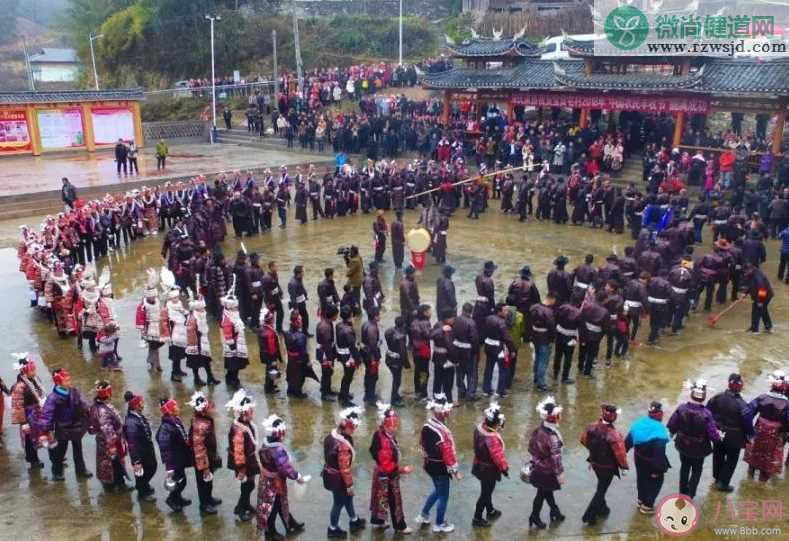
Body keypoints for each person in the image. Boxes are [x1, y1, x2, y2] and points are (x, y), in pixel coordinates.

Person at [667, 379, 721, 499]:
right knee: (697, 470)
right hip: (700, 449)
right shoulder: (707, 414)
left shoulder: (681, 409)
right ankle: (690, 494)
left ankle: (682, 493)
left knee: (684, 467)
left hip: (683, 444)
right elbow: (713, 435)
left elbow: (672, 425)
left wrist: (672, 433)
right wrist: (719, 436)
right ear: (704, 396)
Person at [257, 414, 307, 539]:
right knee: (274, 506)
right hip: (275, 483)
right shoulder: (277, 450)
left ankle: (290, 523)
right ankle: (270, 532)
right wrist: (297, 476)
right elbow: (285, 467)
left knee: (278, 504)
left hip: (265, 480)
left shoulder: (266, 443)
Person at [416, 393, 460, 533]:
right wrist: (455, 471)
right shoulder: (441, 432)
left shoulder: (427, 425)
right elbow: (447, 453)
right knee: (443, 496)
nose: (448, 413)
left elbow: (421, 444)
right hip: (440, 468)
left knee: (437, 491)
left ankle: (424, 514)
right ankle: (439, 523)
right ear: (441, 412)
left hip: (429, 465)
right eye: (446, 411)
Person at [38, 369, 92, 482]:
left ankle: (81, 469)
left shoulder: (74, 391)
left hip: (76, 425)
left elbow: (83, 403)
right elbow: (46, 414)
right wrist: (44, 431)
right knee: (60, 451)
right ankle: (57, 472)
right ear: (58, 383)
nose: (69, 382)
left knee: (78, 448)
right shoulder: (53, 397)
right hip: (62, 428)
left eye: (68, 380)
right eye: (66, 381)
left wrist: (89, 412)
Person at [580, 404, 629, 525]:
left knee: (601, 486)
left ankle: (603, 509)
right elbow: (620, 454)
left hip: (595, 463)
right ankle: (589, 515)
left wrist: (593, 452)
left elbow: (583, 440)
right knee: (601, 490)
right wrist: (624, 467)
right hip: (608, 468)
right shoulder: (614, 435)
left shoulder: (590, 427)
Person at [369, 403, 414, 533]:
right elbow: (387, 464)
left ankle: (378, 521)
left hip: (380, 472)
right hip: (388, 475)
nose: (395, 428)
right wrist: (402, 470)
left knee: (379, 497)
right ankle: (400, 526)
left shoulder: (380, 434)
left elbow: (372, 450)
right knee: (395, 501)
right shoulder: (384, 441)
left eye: (395, 426)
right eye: (392, 426)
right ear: (385, 425)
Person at [323, 407, 366, 539]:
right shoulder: (343, 444)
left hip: (330, 474)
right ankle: (333, 528)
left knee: (348, 498)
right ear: (347, 426)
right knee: (339, 502)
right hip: (339, 479)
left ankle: (354, 520)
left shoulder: (330, 436)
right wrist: (349, 485)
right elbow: (344, 468)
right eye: (353, 427)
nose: (355, 429)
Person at [624, 401, 671, 514]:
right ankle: (647, 505)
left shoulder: (638, 424)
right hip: (651, 462)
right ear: (660, 414)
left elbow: (627, 442)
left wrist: (621, 456)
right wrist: (658, 470)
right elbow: (659, 453)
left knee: (641, 478)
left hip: (639, 458)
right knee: (656, 481)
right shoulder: (660, 431)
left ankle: (641, 499)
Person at [528, 396, 565, 529]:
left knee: (546, 491)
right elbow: (556, 458)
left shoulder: (539, 430)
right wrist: (560, 474)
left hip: (538, 467)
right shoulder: (552, 437)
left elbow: (530, 447)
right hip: (547, 471)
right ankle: (534, 516)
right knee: (541, 494)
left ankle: (555, 511)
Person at [744, 370, 789, 482]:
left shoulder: (762, 397)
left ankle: (750, 476)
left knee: (755, 451)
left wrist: (749, 429)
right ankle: (761, 483)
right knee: (770, 457)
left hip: (759, 429)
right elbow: (787, 421)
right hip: (775, 433)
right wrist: (782, 431)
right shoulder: (786, 403)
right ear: (784, 388)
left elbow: (747, 413)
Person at [707, 373, 748, 492]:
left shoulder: (717, 397)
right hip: (734, 437)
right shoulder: (742, 405)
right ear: (740, 386)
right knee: (732, 459)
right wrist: (749, 437)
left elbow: (707, 413)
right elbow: (747, 424)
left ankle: (717, 478)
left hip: (718, 432)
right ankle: (723, 483)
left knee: (717, 455)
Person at [88, 380, 130, 492]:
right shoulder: (102, 410)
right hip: (110, 442)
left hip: (106, 440)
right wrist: (112, 444)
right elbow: (106, 427)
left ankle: (115, 483)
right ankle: (118, 484)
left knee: (111, 463)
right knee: (114, 463)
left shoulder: (98, 406)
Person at [471, 403, 509, 528]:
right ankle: (477, 517)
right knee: (486, 493)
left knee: (486, 490)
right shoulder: (492, 439)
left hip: (479, 465)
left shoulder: (480, 428)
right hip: (488, 470)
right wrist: (504, 469)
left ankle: (490, 510)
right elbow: (498, 456)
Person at [9, 353, 46, 469]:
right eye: (33, 370)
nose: (35, 371)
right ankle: (33, 460)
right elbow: (17, 406)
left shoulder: (35, 380)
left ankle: (54, 453)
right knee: (30, 438)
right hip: (28, 415)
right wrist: (23, 422)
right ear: (26, 371)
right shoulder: (19, 387)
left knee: (44, 434)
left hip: (38, 411)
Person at [156, 397, 193, 512]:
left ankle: (178, 498)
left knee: (182, 479)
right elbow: (164, 447)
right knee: (180, 480)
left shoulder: (175, 420)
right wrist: (169, 466)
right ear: (170, 410)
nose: (177, 407)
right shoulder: (166, 427)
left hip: (180, 456)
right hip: (174, 459)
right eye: (174, 406)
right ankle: (172, 499)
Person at [227, 389, 259, 522]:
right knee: (247, 485)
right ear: (244, 413)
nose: (253, 412)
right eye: (251, 411)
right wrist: (241, 468)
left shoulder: (247, 425)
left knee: (250, 484)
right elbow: (239, 452)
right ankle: (240, 508)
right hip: (244, 464)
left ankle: (244, 504)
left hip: (250, 460)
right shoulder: (239, 430)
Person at [188, 391, 222, 515]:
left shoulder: (206, 420)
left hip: (209, 456)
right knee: (203, 481)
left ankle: (209, 498)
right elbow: (199, 449)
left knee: (208, 480)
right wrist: (205, 466)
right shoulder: (200, 425)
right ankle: (204, 503)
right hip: (202, 460)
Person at [123, 390, 157, 503]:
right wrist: (136, 460)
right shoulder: (131, 424)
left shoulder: (137, 416)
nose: (143, 404)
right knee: (143, 471)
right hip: (140, 452)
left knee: (151, 467)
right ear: (136, 406)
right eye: (141, 402)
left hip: (146, 448)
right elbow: (132, 444)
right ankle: (143, 492)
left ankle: (143, 485)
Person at [185, 289, 221, 386]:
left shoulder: (200, 316)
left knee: (206, 360)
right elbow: (191, 333)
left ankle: (210, 377)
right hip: (196, 345)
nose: (204, 310)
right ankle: (197, 379)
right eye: (202, 309)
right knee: (195, 363)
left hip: (203, 343)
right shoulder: (193, 318)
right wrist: (197, 345)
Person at [482, 303, 515, 398]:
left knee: (488, 368)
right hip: (499, 349)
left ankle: (486, 390)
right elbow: (507, 338)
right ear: (499, 311)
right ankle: (500, 391)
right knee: (503, 370)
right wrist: (512, 350)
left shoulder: (488, 318)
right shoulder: (501, 323)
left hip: (488, 346)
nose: (507, 312)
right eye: (505, 310)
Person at [221, 285, 249, 389]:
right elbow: (227, 333)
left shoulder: (233, 314)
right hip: (233, 346)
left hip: (237, 343)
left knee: (233, 365)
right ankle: (234, 380)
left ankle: (230, 378)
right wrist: (232, 345)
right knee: (234, 365)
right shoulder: (227, 318)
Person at [452, 302, 480, 401]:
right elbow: (475, 339)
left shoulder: (456, 320)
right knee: (471, 373)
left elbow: (452, 335)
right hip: (469, 352)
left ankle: (461, 391)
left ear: (462, 310)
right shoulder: (471, 323)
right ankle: (470, 394)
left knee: (459, 372)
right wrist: (476, 352)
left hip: (457, 350)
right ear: (471, 311)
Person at [530, 292, 556, 392]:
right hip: (544, 338)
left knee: (537, 358)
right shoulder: (548, 312)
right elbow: (551, 327)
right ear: (552, 299)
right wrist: (552, 339)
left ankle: (536, 378)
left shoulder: (534, 307)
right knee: (543, 361)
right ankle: (541, 383)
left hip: (535, 335)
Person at [285, 309, 314, 399]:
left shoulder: (287, 333)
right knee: (300, 377)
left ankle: (290, 390)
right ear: (297, 322)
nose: (301, 321)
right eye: (300, 320)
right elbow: (303, 352)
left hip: (290, 358)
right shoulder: (301, 336)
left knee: (290, 375)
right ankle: (298, 393)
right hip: (299, 361)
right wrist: (308, 361)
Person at [336, 305, 360, 407]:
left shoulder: (339, 325)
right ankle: (344, 399)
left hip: (341, 354)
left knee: (346, 375)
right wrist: (357, 359)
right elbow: (352, 347)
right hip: (347, 356)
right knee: (348, 376)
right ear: (350, 315)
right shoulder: (348, 330)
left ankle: (343, 394)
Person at [410, 304, 433, 399]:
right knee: (425, 372)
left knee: (417, 371)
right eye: (429, 311)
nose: (431, 313)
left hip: (415, 350)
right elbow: (428, 335)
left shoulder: (413, 322)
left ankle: (417, 390)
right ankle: (423, 393)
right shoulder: (425, 323)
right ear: (424, 312)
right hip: (423, 350)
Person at [743, 263, 774, 333]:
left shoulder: (758, 277)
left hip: (765, 296)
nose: (745, 273)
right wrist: (745, 293)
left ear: (750, 270)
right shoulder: (752, 274)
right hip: (760, 296)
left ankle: (754, 330)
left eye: (746, 272)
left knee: (756, 311)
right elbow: (751, 285)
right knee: (762, 311)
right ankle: (768, 327)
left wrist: (760, 301)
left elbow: (762, 289)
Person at [259, 307, 283, 394]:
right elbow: (272, 347)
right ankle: (269, 388)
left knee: (270, 370)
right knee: (271, 370)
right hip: (270, 355)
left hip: (267, 355)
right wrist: (274, 358)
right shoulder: (268, 332)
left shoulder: (265, 329)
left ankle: (270, 385)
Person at [288, 265, 310, 336]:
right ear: (299, 273)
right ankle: (292, 335)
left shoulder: (299, 279)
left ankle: (305, 332)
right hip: (296, 305)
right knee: (294, 321)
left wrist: (305, 295)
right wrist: (295, 308)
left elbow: (302, 288)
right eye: (303, 271)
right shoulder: (292, 283)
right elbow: (293, 297)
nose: (304, 273)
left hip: (301, 302)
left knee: (305, 317)